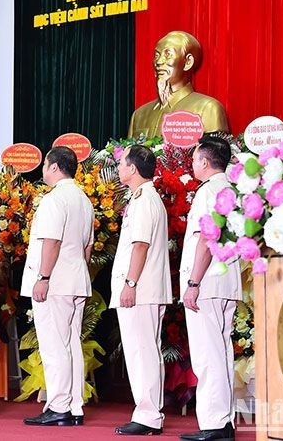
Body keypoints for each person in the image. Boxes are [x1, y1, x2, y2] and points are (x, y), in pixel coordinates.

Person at [21, 146, 94, 427]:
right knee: (71, 343)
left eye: (45, 165)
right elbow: (87, 247)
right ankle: (74, 405)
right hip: (75, 279)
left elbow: (51, 241)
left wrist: (44, 277)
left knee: (54, 345)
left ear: (53, 167)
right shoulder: (83, 199)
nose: (43, 171)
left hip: (55, 282)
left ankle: (59, 405)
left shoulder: (55, 199)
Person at [179, 136, 241, 441]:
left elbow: (206, 238)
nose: (192, 165)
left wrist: (193, 282)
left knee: (208, 354)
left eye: (194, 160)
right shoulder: (231, 189)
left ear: (205, 162)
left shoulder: (208, 190)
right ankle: (223, 421)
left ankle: (216, 424)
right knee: (221, 352)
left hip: (207, 282)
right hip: (225, 279)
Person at [112, 145, 171, 436]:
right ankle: (147, 411)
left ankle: (148, 414)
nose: (119, 168)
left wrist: (130, 283)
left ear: (133, 169)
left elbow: (140, 245)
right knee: (141, 350)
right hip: (142, 288)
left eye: (122, 164)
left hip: (141, 288)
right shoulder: (141, 198)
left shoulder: (146, 200)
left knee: (142, 350)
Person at [128, 31, 229, 138]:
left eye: (168, 55)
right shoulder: (139, 115)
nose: (158, 61)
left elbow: (214, 152)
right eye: (157, 55)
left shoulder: (208, 108)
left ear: (188, 62)